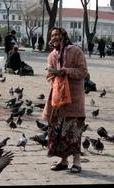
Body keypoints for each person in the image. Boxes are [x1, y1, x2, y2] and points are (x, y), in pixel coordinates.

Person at [42, 27, 88, 173]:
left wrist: (66, 71)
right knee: (58, 131)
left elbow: (83, 72)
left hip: (74, 98)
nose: (54, 37)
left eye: (57, 34)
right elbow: (49, 75)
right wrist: (56, 79)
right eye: (52, 35)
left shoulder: (76, 51)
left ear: (63, 35)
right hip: (57, 100)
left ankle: (77, 162)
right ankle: (63, 161)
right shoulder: (52, 55)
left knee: (73, 131)